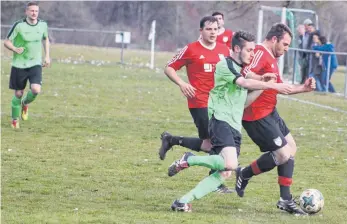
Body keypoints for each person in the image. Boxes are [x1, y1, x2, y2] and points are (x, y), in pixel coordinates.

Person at [167, 31, 294, 212]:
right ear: (236, 49)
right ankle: (190, 159)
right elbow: (243, 83)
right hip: (221, 120)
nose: (252, 54)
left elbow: (245, 102)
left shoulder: (241, 69)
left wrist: (262, 84)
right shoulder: (225, 65)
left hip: (234, 125)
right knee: (231, 165)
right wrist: (272, 85)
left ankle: (183, 201)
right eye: (249, 50)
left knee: (225, 172)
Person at [234, 23, 316, 215]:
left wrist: (303, 88)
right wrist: (263, 83)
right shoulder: (261, 53)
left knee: (290, 149)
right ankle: (282, 197)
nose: (286, 49)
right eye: (285, 44)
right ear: (274, 39)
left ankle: (250, 176)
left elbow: (280, 87)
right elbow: (244, 74)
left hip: (270, 111)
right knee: (283, 155)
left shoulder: (271, 57)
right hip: (256, 116)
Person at [158, 16, 232, 193]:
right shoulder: (191, 49)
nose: (213, 32)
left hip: (220, 103)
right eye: (209, 29)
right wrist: (182, 84)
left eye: (215, 29)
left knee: (209, 144)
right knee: (218, 143)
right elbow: (169, 67)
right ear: (201, 31)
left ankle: (172, 140)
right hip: (199, 102)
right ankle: (215, 181)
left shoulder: (224, 50)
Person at [4, 1, 50, 129]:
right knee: (18, 93)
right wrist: (14, 48)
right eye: (31, 10)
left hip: (35, 63)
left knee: (36, 89)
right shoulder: (18, 25)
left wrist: (47, 56)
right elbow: (6, 42)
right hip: (19, 64)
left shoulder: (43, 25)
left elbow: (46, 39)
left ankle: (25, 103)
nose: (34, 13)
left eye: (36, 11)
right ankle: (14, 120)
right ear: (26, 12)